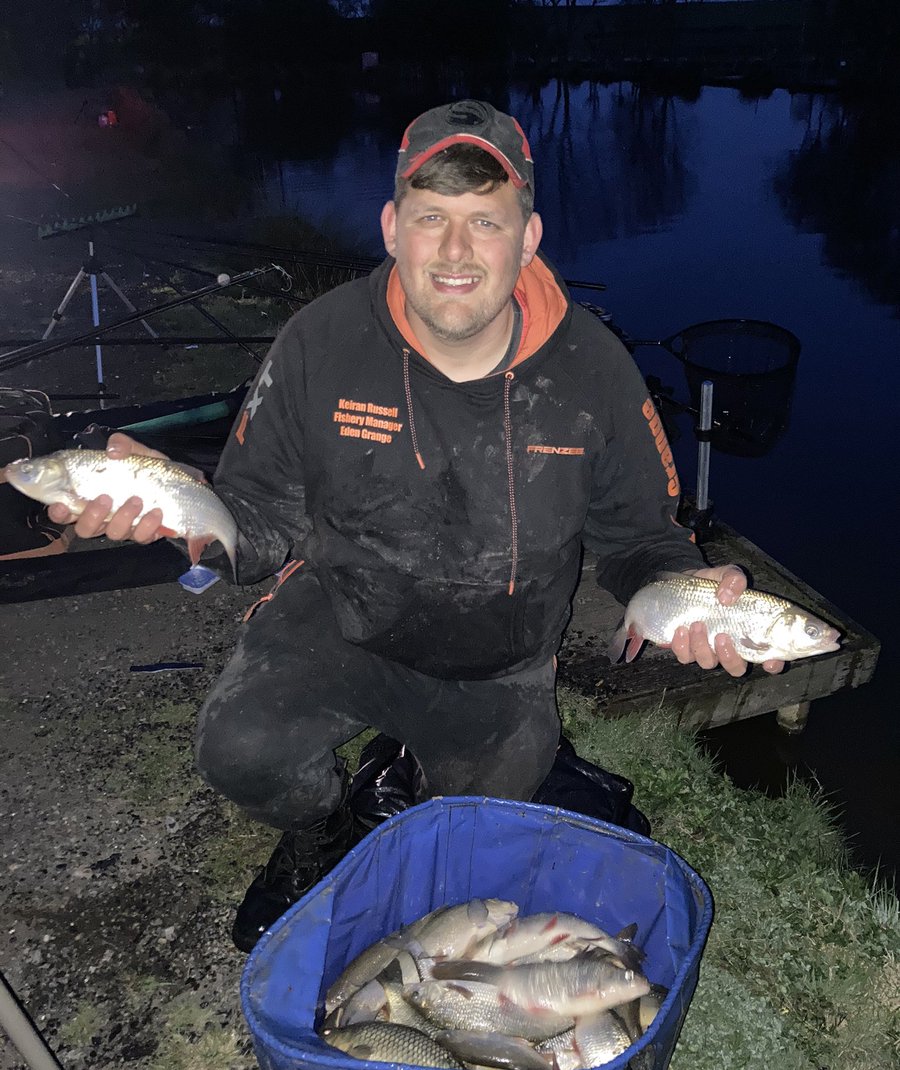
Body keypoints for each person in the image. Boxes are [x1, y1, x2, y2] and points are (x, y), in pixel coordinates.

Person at [42, 100, 785, 952]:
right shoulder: (320, 341)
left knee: (468, 864)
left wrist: (687, 600)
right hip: (343, 615)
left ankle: (422, 772)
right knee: (238, 747)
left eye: (485, 221)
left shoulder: (595, 371)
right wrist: (174, 508)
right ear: (393, 227)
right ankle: (322, 831)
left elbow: (640, 541)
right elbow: (256, 520)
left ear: (530, 236)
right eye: (432, 218)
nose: (457, 251)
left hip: (497, 662)